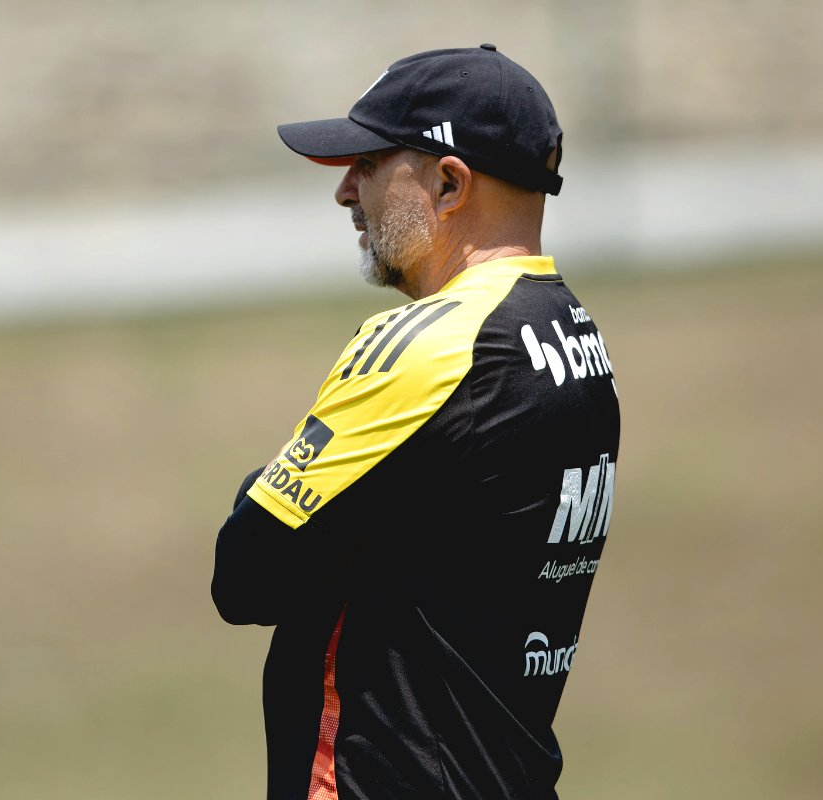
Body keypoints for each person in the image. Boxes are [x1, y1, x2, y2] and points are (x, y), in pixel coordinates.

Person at [212, 44, 620, 800]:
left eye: (367, 163)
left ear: (448, 181)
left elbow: (246, 576)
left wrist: (260, 490)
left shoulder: (428, 343)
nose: (344, 192)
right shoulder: (572, 335)